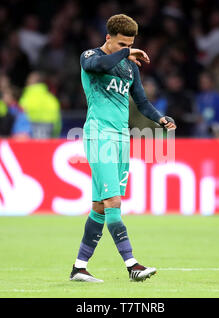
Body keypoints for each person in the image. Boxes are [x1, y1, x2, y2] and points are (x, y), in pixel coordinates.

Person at [70, 14, 176, 283]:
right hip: (99, 136)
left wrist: (160, 118)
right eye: (120, 44)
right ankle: (132, 265)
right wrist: (126, 53)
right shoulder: (90, 57)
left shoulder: (130, 68)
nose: (125, 48)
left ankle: (79, 267)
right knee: (113, 202)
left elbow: (141, 103)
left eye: (129, 44)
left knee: (100, 207)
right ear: (108, 38)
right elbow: (101, 64)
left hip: (121, 139)